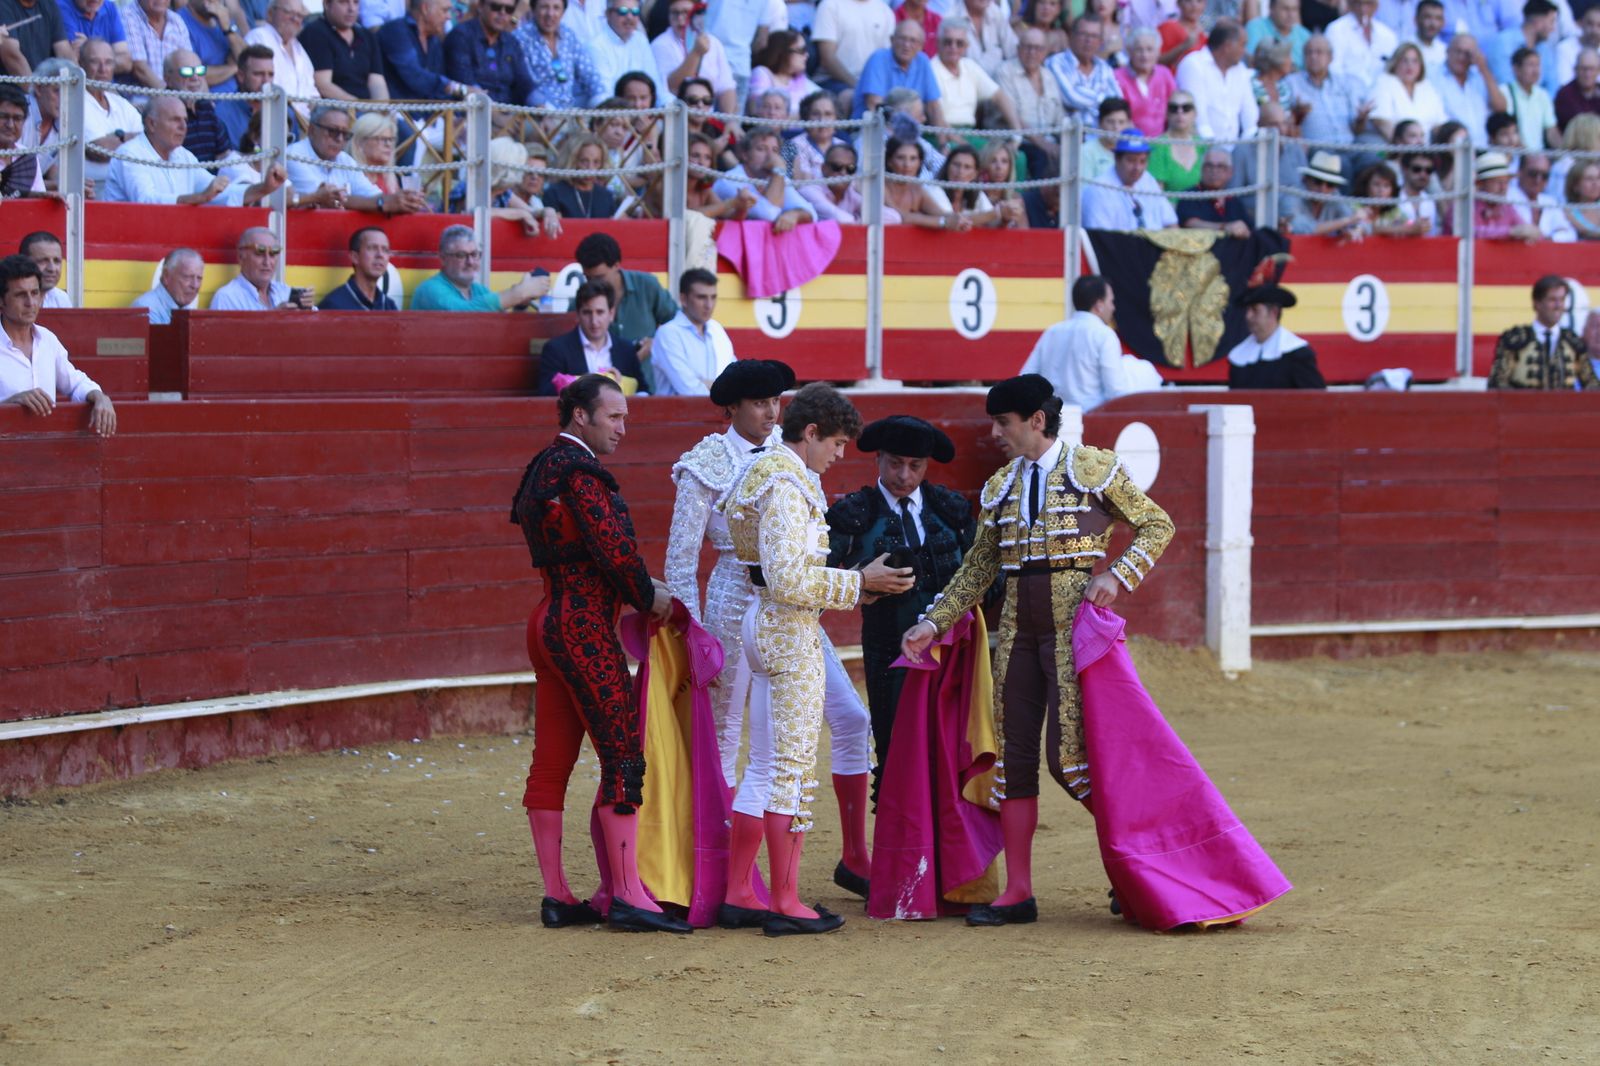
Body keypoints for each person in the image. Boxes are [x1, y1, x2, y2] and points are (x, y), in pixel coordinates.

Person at [900, 373, 1174, 927]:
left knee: (1071, 761)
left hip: (1074, 632)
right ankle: (1018, 891)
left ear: (1037, 421)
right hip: (1019, 634)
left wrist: (1117, 575)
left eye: (1003, 423)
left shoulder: (1091, 469)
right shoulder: (1001, 485)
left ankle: (1139, 865)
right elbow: (978, 567)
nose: (995, 434)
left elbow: (1155, 524)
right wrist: (932, 622)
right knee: (1014, 759)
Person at [721, 382, 914, 935]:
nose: (839, 455)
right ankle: (785, 900)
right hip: (788, 628)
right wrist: (858, 583)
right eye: (836, 443)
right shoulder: (785, 483)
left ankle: (739, 892)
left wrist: (854, 585)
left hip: (764, 621)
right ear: (810, 433)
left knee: (764, 764)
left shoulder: (762, 471)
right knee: (791, 765)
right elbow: (787, 579)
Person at [511, 374, 688, 934]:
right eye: (614, 417)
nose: (622, 428)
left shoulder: (542, 467)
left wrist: (637, 586)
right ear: (580, 416)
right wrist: (649, 595)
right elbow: (613, 548)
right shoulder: (581, 473)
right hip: (584, 627)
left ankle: (557, 894)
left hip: (547, 621)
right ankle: (630, 894)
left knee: (551, 761)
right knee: (622, 755)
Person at [663, 359, 796, 799]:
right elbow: (681, 561)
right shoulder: (705, 464)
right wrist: (693, 633)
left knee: (785, 726)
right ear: (732, 408)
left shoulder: (788, 451)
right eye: (759, 403)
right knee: (724, 731)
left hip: (785, 601)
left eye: (775, 401)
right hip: (732, 599)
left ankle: (764, 825)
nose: (771, 412)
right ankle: (718, 832)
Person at [825, 415, 975, 798]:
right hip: (887, 652)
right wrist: (860, 583)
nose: (904, 475)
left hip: (951, 651)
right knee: (894, 751)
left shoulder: (952, 510)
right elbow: (817, 580)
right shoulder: (854, 514)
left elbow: (984, 576)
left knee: (952, 748)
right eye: (895, 463)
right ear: (878, 458)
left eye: (915, 465)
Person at [1, 255, 116, 437]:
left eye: (35, 293)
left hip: (47, 447)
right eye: (20, 295)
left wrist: (99, 396)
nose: (31, 303)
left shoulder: (47, 340)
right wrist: (8, 404)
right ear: (1, 301)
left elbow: (75, 382)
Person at [103, 95, 286, 205]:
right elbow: (145, 201)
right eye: (175, 120)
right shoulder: (129, 153)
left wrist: (264, 188)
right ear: (151, 124)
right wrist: (198, 197)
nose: (183, 126)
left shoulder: (184, 156)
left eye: (185, 120)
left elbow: (219, 193)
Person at [1020, 274, 1155, 411]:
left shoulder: (1052, 332)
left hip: (1054, 418)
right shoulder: (1104, 335)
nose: (1113, 307)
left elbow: (1026, 379)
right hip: (1091, 417)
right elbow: (1116, 391)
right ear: (1099, 305)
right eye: (1111, 301)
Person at [285, 104, 425, 214]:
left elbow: (372, 195)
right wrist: (384, 203)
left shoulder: (344, 159)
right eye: (333, 131)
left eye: (345, 134)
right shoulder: (293, 155)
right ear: (312, 130)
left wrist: (402, 199)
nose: (339, 139)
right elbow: (327, 200)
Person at [574, 231, 676, 362]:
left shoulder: (647, 285)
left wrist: (656, 342)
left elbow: (678, 324)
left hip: (646, 373)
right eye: (588, 278)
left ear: (616, 265)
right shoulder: (583, 297)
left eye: (600, 277)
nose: (593, 284)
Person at [1488, 274, 1600, 388]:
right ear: (1537, 303)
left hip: (1564, 400)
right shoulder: (1514, 340)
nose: (1558, 306)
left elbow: (1592, 386)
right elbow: (1497, 384)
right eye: (1552, 300)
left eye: (1562, 299)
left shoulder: (1573, 342)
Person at [534, 279, 644, 395]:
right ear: (578, 315)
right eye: (587, 312)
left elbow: (643, 392)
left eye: (600, 312)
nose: (594, 321)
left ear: (611, 314)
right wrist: (588, 382)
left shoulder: (626, 350)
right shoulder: (556, 349)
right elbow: (546, 394)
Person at [410, 224, 552, 312]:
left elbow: (502, 327)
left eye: (474, 254)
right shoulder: (429, 290)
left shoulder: (479, 290)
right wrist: (518, 293)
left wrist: (521, 303)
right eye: (461, 255)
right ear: (443, 258)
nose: (470, 262)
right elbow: (463, 314)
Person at [648, 268, 735, 397]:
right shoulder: (668, 334)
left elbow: (736, 380)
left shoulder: (717, 330)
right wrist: (722, 387)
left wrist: (707, 383)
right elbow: (690, 390)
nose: (709, 305)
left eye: (713, 297)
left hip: (717, 408)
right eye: (701, 297)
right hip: (678, 410)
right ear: (683, 299)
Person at [712, 125, 815, 229]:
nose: (771, 156)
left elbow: (811, 212)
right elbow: (769, 214)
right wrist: (779, 170)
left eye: (775, 150)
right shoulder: (729, 181)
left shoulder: (778, 177)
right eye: (761, 149)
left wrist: (795, 214)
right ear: (745, 155)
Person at [998, 26, 1067, 177]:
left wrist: (1067, 143)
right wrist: (1044, 144)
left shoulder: (1049, 76)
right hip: (1018, 141)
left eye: (1038, 48)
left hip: (1048, 141)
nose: (1032, 53)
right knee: (1041, 158)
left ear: (1045, 52)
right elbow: (1012, 116)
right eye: (1027, 47)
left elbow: (1059, 117)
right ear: (1018, 49)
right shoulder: (1005, 71)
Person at [1226, 284, 1326, 388]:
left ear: (1274, 312)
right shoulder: (1239, 356)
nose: (1248, 316)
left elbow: (1316, 395)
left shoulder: (1296, 354)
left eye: (1255, 310)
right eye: (1247, 310)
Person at [1176, 18, 1258, 140]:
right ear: (1227, 46)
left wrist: (1249, 140)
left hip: (1235, 146)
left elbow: (1249, 112)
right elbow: (1198, 117)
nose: (1244, 51)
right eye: (1242, 45)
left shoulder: (1240, 69)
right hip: (1199, 146)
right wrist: (1212, 147)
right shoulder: (1193, 64)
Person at [931, 17, 1020, 130]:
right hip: (940, 133)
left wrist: (1017, 132)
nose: (953, 47)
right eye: (948, 42)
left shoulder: (969, 66)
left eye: (959, 43)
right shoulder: (930, 70)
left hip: (970, 132)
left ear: (966, 46)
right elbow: (936, 118)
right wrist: (961, 141)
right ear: (938, 43)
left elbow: (999, 96)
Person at [1082, 130, 1179, 230]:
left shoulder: (1148, 179)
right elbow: (1100, 236)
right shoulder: (1098, 190)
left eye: (1142, 161)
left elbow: (1171, 223)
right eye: (1131, 161)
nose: (1137, 167)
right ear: (1117, 159)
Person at [1285, 33, 1370, 146]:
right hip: (1316, 148)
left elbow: (1357, 129)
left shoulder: (1345, 83)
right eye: (1309, 52)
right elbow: (1284, 124)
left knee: (1374, 154)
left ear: (1330, 57)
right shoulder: (1291, 83)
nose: (1313, 57)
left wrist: (1361, 120)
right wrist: (1297, 114)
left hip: (1349, 147)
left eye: (1319, 52)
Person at [444, 0, 535, 104]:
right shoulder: (461, 37)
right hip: (472, 109)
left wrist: (541, 106)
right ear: (480, 6)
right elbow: (466, 83)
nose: (502, 13)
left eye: (509, 9)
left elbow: (525, 83)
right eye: (496, 7)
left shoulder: (511, 42)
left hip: (507, 110)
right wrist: (496, 112)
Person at [854, 19, 946, 120]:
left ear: (921, 46)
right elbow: (874, 104)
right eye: (902, 39)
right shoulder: (879, 58)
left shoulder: (923, 61)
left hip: (909, 126)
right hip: (874, 126)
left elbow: (933, 106)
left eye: (913, 41)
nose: (906, 45)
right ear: (892, 40)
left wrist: (943, 128)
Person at [378, 0, 466, 105]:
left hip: (430, 112)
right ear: (425, 9)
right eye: (444, 10)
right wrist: (460, 89)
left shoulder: (434, 40)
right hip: (399, 112)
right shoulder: (395, 31)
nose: (449, 17)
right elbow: (415, 77)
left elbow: (438, 87)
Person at [300, 0, 388, 100]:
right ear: (327, 4)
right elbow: (322, 85)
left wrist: (382, 107)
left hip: (364, 106)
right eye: (344, 2)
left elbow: (377, 82)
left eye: (355, 2)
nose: (352, 9)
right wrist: (358, 106)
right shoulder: (316, 32)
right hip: (331, 105)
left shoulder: (367, 37)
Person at [660, 0, 737, 112]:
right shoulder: (660, 44)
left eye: (686, 12)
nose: (680, 19)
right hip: (677, 116)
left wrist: (729, 118)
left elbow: (726, 87)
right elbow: (672, 86)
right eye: (675, 13)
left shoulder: (714, 43)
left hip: (708, 115)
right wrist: (696, 53)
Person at [1432, 32, 1507, 145]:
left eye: (1467, 53)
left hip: (1482, 146)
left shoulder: (1480, 77)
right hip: (1450, 147)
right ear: (1448, 51)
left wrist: (1483, 68)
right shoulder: (1434, 75)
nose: (1461, 57)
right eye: (1458, 51)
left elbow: (1501, 108)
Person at [1046, 12, 1119, 126]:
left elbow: (1118, 104)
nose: (1088, 40)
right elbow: (1072, 98)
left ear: (1100, 41)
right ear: (1071, 36)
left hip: (1103, 134)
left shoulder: (1104, 67)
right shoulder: (1056, 62)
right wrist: (1106, 102)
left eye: (1094, 36)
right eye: (1083, 34)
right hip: (1070, 134)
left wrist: (1083, 96)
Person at [812, 0, 896, 100]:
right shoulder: (830, 5)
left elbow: (887, 57)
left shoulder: (885, 10)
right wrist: (858, 86)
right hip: (832, 80)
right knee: (850, 97)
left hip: (872, 83)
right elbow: (827, 58)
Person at [243, 0, 317, 109]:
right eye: (288, 12)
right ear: (270, 13)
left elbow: (312, 94)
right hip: (273, 113)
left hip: (304, 118)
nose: (295, 19)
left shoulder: (299, 49)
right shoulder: (259, 37)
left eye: (299, 15)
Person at [163, 48, 230, 165]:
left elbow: (224, 155)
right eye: (187, 72)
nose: (195, 78)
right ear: (168, 79)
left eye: (200, 70)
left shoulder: (207, 107)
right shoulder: (161, 113)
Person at [209, 226, 302, 309]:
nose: (267, 262)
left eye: (273, 253)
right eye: (259, 253)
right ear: (241, 257)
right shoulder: (227, 298)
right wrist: (276, 317)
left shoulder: (285, 292)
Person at [587, 1, 662, 105]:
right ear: (608, 14)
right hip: (614, 110)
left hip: (643, 107)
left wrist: (670, 105)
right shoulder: (596, 46)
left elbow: (656, 83)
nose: (630, 17)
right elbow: (604, 95)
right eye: (623, 11)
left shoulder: (640, 39)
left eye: (635, 12)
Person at [1284, 149, 1368, 237]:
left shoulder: (1334, 194)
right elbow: (1303, 229)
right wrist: (1347, 221)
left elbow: (1361, 223)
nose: (1323, 188)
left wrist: (1357, 229)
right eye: (1318, 181)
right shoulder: (1292, 196)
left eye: (1330, 184)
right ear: (1306, 179)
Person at [1325, 0, 1397, 97]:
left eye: (1368, 4)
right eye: (1358, 3)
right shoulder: (1336, 30)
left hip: (1381, 96)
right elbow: (1333, 69)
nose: (1363, 9)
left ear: (1376, 7)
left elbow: (1393, 71)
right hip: (1346, 96)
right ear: (1350, 5)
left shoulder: (1388, 35)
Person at [174, 0, 249, 92]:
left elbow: (249, 62)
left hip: (241, 96)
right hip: (209, 98)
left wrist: (227, 29)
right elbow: (193, 75)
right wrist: (234, 68)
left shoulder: (223, 19)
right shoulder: (179, 23)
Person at [318, 226, 399, 310]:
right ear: (355, 257)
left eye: (385, 250)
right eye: (372, 248)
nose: (380, 255)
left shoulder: (389, 306)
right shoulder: (333, 305)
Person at [1469, 150, 1542, 239]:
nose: (1503, 187)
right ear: (1480, 183)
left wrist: (1531, 232)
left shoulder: (1506, 207)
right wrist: (1510, 232)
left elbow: (1525, 230)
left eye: (1506, 182)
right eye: (1497, 182)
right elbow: (1471, 233)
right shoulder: (1466, 207)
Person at [1177, 147, 1253, 233]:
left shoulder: (1233, 200)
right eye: (1209, 166)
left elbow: (1248, 227)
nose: (1214, 171)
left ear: (1230, 172)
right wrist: (1224, 227)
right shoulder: (1190, 195)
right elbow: (1190, 223)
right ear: (1202, 169)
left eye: (1220, 166)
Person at [1117, 27, 1176, 135]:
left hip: (1162, 140)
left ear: (1158, 52)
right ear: (1129, 51)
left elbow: (1175, 105)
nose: (1145, 55)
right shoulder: (1117, 77)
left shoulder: (1164, 74)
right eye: (1139, 49)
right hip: (1129, 140)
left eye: (1150, 49)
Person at [544, 135, 620, 218]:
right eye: (584, 161)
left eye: (596, 162)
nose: (590, 168)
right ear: (572, 161)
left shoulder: (606, 197)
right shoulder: (555, 193)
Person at [124, 0, 194, 89]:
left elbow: (191, 65)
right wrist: (168, 94)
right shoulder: (128, 15)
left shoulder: (176, 20)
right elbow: (139, 69)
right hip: (141, 95)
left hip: (177, 93)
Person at [1502, 44, 1560, 147]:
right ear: (1516, 69)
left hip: (1540, 154)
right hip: (1514, 153)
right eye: (1530, 65)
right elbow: (1506, 129)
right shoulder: (1505, 92)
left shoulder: (1543, 95)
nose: (1536, 71)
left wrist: (1564, 151)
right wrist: (1527, 154)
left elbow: (1551, 130)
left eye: (1537, 65)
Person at [1147, 88, 1205, 192]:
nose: (1180, 112)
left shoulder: (1202, 145)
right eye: (1173, 108)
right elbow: (1156, 193)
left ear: (1195, 114)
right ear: (1167, 114)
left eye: (1186, 108)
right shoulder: (1157, 146)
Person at [131, 246, 206, 323]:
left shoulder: (186, 308)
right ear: (166, 276)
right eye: (187, 277)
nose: (195, 285)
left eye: (199, 278)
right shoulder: (146, 309)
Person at [62, 0, 133, 74]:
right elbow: (72, 63)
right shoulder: (62, 7)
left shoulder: (109, 7)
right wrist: (110, 58)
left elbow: (125, 61)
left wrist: (87, 46)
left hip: (108, 81)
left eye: (108, 61)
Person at [1246, 0, 1307, 68]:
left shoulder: (1304, 35)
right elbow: (1252, 60)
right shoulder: (1255, 27)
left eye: (1294, 9)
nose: (1291, 15)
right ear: (1271, 8)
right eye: (1285, 9)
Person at [1394, 148, 1441, 234]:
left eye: (1428, 170)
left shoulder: (1430, 202)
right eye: (1417, 169)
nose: (1423, 174)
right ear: (1404, 169)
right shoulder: (1391, 198)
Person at [18, 231, 70, 309]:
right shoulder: (7, 300)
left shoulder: (61, 298)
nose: (52, 269)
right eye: (43, 261)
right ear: (23, 263)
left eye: (56, 261)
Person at [1556, 46, 1600, 130]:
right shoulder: (1565, 95)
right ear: (1575, 69)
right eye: (1584, 69)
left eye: (1591, 69)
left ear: (1598, 70)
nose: (1587, 74)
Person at [1555, 156, 1600, 238]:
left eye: (1598, 178)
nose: (1595, 183)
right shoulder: (1568, 211)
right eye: (1589, 179)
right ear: (1575, 186)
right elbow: (1587, 232)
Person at [1157, 0, 1207, 69]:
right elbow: (1155, 61)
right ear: (1179, 3)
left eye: (1199, 1)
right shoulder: (1168, 27)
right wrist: (1183, 46)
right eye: (1188, 1)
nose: (1194, 5)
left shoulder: (1204, 35)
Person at [1404, 0, 1448, 73]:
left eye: (1438, 18)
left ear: (1443, 22)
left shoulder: (1445, 51)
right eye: (1428, 17)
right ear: (1416, 20)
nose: (1433, 24)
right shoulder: (1405, 47)